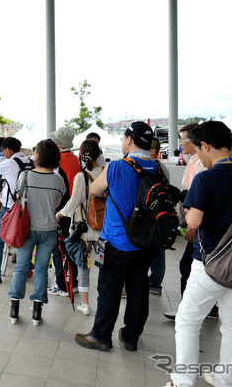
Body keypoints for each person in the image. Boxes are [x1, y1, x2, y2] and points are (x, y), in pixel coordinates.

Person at [165, 121, 232, 387]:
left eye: (198, 150)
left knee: (187, 322)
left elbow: (194, 222)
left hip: (209, 264)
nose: (199, 156)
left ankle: (183, 381)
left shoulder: (205, 178)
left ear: (205, 146)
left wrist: (185, 209)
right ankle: (225, 380)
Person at [75, 121, 157, 352]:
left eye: (123, 138)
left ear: (129, 140)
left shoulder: (118, 166)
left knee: (109, 290)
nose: (123, 142)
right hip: (146, 242)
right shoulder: (156, 167)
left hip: (118, 241)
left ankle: (101, 336)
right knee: (138, 291)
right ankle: (131, 336)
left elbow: (95, 190)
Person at [8, 139, 66, 326]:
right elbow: (57, 204)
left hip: (26, 230)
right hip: (49, 230)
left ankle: (14, 310)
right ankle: (37, 312)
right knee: (41, 269)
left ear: (37, 155)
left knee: (22, 268)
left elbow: (18, 198)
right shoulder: (58, 180)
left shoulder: (25, 176)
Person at [163, 123, 212, 320]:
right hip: (193, 221)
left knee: (188, 266)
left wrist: (193, 226)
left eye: (184, 139)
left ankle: (188, 311)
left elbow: (200, 199)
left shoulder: (202, 165)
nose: (181, 143)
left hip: (197, 223)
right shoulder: (194, 161)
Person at [56, 139, 103, 315]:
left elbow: (74, 202)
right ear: (98, 152)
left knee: (84, 267)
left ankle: (85, 304)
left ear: (81, 156)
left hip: (84, 230)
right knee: (105, 268)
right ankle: (104, 302)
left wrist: (60, 214)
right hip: (105, 230)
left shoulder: (81, 176)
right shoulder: (106, 172)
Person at [0, 136, 32, 283]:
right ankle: (26, 269)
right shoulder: (29, 161)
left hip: (10, 207)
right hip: (26, 207)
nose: (4, 153)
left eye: (4, 150)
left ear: (8, 149)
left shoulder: (10, 163)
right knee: (24, 237)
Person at [47, 126, 80, 296]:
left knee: (59, 250)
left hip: (61, 210)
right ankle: (72, 282)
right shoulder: (75, 159)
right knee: (70, 247)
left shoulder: (58, 161)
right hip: (75, 210)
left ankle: (62, 285)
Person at [148, 138, 170, 295]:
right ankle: (155, 283)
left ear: (152, 151)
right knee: (158, 250)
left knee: (150, 249)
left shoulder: (150, 167)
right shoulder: (163, 168)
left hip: (149, 214)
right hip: (161, 214)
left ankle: (152, 282)